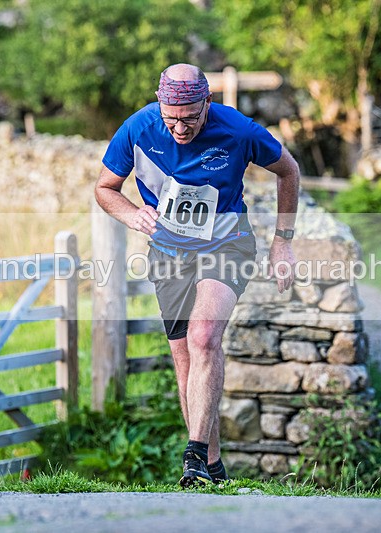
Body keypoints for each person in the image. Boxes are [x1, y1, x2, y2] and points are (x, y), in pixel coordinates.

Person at [94, 63, 299, 488]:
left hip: (227, 244)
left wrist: (283, 240)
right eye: (171, 117)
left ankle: (192, 456)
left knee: (204, 336)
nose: (179, 127)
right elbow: (105, 189)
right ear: (159, 104)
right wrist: (132, 214)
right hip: (169, 254)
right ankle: (212, 466)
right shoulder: (138, 128)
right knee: (186, 358)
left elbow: (289, 171)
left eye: (189, 117)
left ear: (206, 103)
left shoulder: (238, 130)